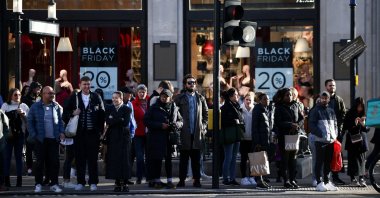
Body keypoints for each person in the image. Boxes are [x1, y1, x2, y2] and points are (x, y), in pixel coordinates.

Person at [63, 76, 105, 191]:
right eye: (84, 84)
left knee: (92, 159)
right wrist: (73, 112)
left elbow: (102, 115)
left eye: (88, 84)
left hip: (93, 134)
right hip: (79, 134)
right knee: (80, 159)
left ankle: (93, 182)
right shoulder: (74, 97)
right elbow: (64, 113)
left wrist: (100, 132)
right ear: (80, 85)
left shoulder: (96, 97)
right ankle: (80, 182)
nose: (86, 86)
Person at [27, 86, 64, 193]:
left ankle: (54, 184)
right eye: (49, 93)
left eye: (53, 93)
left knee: (54, 162)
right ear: (43, 94)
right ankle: (38, 184)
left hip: (53, 139)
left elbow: (60, 121)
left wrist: (61, 132)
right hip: (40, 139)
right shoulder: (35, 106)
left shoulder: (56, 106)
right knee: (39, 163)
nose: (52, 95)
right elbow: (30, 122)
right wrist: (34, 134)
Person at [144, 89, 183, 189]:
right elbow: (146, 121)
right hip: (156, 137)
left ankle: (169, 181)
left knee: (169, 160)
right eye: (162, 96)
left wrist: (176, 125)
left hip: (169, 138)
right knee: (157, 159)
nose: (164, 98)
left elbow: (181, 121)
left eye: (166, 97)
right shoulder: (154, 107)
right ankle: (157, 181)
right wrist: (160, 125)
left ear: (170, 98)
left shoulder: (174, 108)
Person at [174, 74, 208, 188]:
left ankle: (196, 180)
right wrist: (178, 126)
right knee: (183, 159)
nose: (192, 84)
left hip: (197, 132)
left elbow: (206, 114)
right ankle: (182, 180)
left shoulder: (200, 98)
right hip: (184, 133)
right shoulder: (179, 98)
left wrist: (203, 126)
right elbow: (174, 114)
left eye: (193, 82)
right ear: (185, 84)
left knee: (196, 160)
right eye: (189, 82)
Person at [273, 88, 303, 189]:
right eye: (287, 95)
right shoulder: (279, 107)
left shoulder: (296, 105)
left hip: (294, 135)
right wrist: (290, 125)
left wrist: (297, 125)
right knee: (285, 160)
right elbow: (278, 122)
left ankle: (292, 179)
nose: (289, 97)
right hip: (284, 136)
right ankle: (286, 180)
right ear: (282, 97)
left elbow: (301, 118)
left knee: (293, 159)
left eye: (290, 95)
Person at [309, 91, 339, 192]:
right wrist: (321, 134)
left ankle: (326, 181)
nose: (324, 100)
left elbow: (335, 124)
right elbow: (311, 125)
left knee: (328, 162)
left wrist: (335, 135)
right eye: (322, 98)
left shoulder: (331, 110)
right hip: (320, 140)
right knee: (319, 162)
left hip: (330, 141)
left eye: (326, 98)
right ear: (320, 98)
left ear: (329, 99)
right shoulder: (315, 110)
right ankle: (319, 182)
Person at [104, 91, 133, 192]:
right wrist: (118, 119)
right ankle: (117, 183)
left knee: (125, 160)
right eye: (113, 98)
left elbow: (125, 122)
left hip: (124, 137)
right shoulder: (109, 108)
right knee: (114, 160)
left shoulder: (127, 109)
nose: (114, 100)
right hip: (112, 138)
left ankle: (124, 183)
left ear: (121, 98)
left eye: (116, 98)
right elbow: (108, 121)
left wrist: (114, 119)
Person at [1, 88, 29, 187]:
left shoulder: (23, 106)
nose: (17, 97)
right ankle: (7, 180)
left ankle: (19, 181)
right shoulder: (5, 105)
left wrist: (23, 114)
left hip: (20, 135)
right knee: (7, 158)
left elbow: (28, 122)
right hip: (8, 135)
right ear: (10, 96)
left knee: (19, 158)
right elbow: (2, 119)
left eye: (19, 95)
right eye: (15, 95)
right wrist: (12, 113)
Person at [342, 97, 369, 187]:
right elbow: (345, 126)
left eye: (361, 106)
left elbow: (367, 129)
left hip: (362, 140)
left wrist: (363, 124)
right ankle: (353, 178)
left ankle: (362, 178)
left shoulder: (364, 115)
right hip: (352, 140)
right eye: (358, 106)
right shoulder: (349, 113)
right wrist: (354, 123)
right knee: (352, 160)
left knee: (362, 160)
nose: (360, 108)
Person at [325, 79, 346, 185]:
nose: (332, 87)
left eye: (333, 85)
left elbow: (343, 114)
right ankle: (325, 178)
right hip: (325, 132)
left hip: (336, 132)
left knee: (336, 154)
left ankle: (336, 176)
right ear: (326, 87)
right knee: (326, 155)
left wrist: (340, 128)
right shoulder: (322, 99)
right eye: (330, 85)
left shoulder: (339, 100)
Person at [220, 88, 242, 186]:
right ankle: (225, 178)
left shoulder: (236, 106)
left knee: (233, 157)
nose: (237, 96)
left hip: (236, 134)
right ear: (230, 97)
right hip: (229, 134)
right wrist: (234, 121)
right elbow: (223, 122)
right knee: (228, 157)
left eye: (237, 95)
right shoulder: (225, 107)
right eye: (235, 95)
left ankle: (232, 178)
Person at [252, 92, 274, 189]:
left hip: (267, 139)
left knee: (264, 160)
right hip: (260, 139)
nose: (267, 101)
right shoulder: (257, 109)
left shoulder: (268, 110)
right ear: (260, 100)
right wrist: (257, 142)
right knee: (259, 160)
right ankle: (259, 181)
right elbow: (255, 127)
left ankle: (262, 179)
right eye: (265, 99)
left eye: (268, 99)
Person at [21, 81, 42, 176]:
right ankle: (29, 168)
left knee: (38, 149)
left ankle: (38, 168)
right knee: (29, 148)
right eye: (37, 89)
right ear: (33, 89)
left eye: (40, 89)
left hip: (39, 126)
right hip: (29, 126)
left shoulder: (40, 99)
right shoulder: (25, 99)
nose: (39, 91)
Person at [131, 84, 149, 184]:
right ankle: (139, 177)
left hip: (149, 133)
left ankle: (148, 176)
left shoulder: (150, 101)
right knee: (140, 156)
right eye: (140, 92)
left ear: (146, 92)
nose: (142, 94)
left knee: (149, 156)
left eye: (143, 92)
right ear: (137, 93)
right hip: (138, 133)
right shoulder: (133, 103)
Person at [120, 87, 137, 185]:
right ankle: (120, 179)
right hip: (121, 133)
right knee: (121, 157)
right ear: (124, 94)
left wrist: (133, 131)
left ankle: (126, 178)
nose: (130, 96)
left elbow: (132, 118)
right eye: (129, 94)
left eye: (131, 94)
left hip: (129, 134)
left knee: (128, 157)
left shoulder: (130, 104)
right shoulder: (120, 103)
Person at [239, 92, 256, 186]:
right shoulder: (240, 109)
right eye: (247, 99)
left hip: (252, 138)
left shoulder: (255, 110)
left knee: (253, 159)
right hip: (243, 138)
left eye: (250, 100)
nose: (248, 101)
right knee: (243, 159)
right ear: (244, 100)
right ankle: (244, 177)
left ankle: (252, 177)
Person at [0, 108, 9, 191]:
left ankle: (1, 184)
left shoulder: (0, 112)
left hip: (0, 142)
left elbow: (6, 125)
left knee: (1, 164)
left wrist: (4, 138)